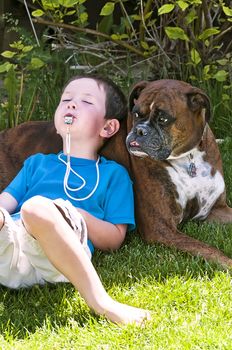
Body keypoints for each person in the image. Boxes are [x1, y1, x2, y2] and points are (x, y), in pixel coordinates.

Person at [0, 75, 151, 325]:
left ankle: (103, 303)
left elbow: (114, 238)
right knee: (28, 210)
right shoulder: (37, 164)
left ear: (108, 128)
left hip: (60, 257)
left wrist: (75, 213)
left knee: (35, 208)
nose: (71, 105)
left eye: (86, 102)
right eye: (66, 99)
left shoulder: (113, 175)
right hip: (11, 251)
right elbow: (5, 203)